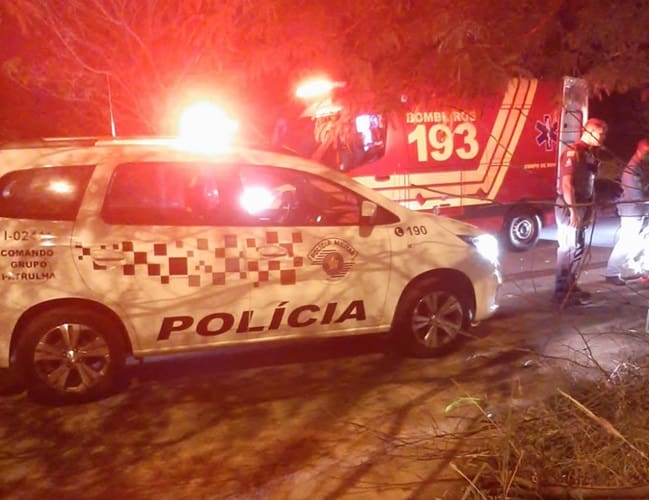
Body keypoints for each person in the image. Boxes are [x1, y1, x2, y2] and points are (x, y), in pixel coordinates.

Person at [553, 118, 608, 305]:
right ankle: (561, 292)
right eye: (600, 134)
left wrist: (589, 208)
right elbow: (567, 184)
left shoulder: (588, 154)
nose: (603, 138)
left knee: (578, 248)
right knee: (568, 248)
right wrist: (574, 210)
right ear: (590, 131)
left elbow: (589, 184)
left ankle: (571, 286)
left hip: (583, 206)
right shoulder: (572, 153)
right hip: (570, 207)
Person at [604, 138, 649, 284]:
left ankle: (645, 270)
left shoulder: (640, 166)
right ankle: (612, 272)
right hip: (633, 211)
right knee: (627, 242)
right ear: (642, 151)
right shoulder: (632, 170)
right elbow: (636, 195)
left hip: (640, 210)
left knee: (644, 240)